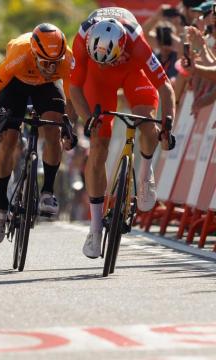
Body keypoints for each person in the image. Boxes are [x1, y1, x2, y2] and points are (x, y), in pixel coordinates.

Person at [68, 7, 176, 259]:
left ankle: (145, 174)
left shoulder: (137, 43)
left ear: (122, 47)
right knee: (98, 146)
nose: (109, 64)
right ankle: (95, 229)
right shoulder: (83, 39)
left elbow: (165, 87)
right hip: (97, 82)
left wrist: (167, 123)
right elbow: (74, 90)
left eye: (112, 58)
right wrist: (89, 119)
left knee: (148, 125)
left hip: (132, 74)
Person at [0, 23, 76, 244]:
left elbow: (73, 99)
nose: (51, 68)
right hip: (16, 85)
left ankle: (47, 191)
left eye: (55, 63)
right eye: (46, 63)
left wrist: (68, 125)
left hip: (47, 87)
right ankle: (1, 205)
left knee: (53, 130)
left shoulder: (66, 61)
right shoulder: (19, 56)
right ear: (35, 53)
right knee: (9, 140)